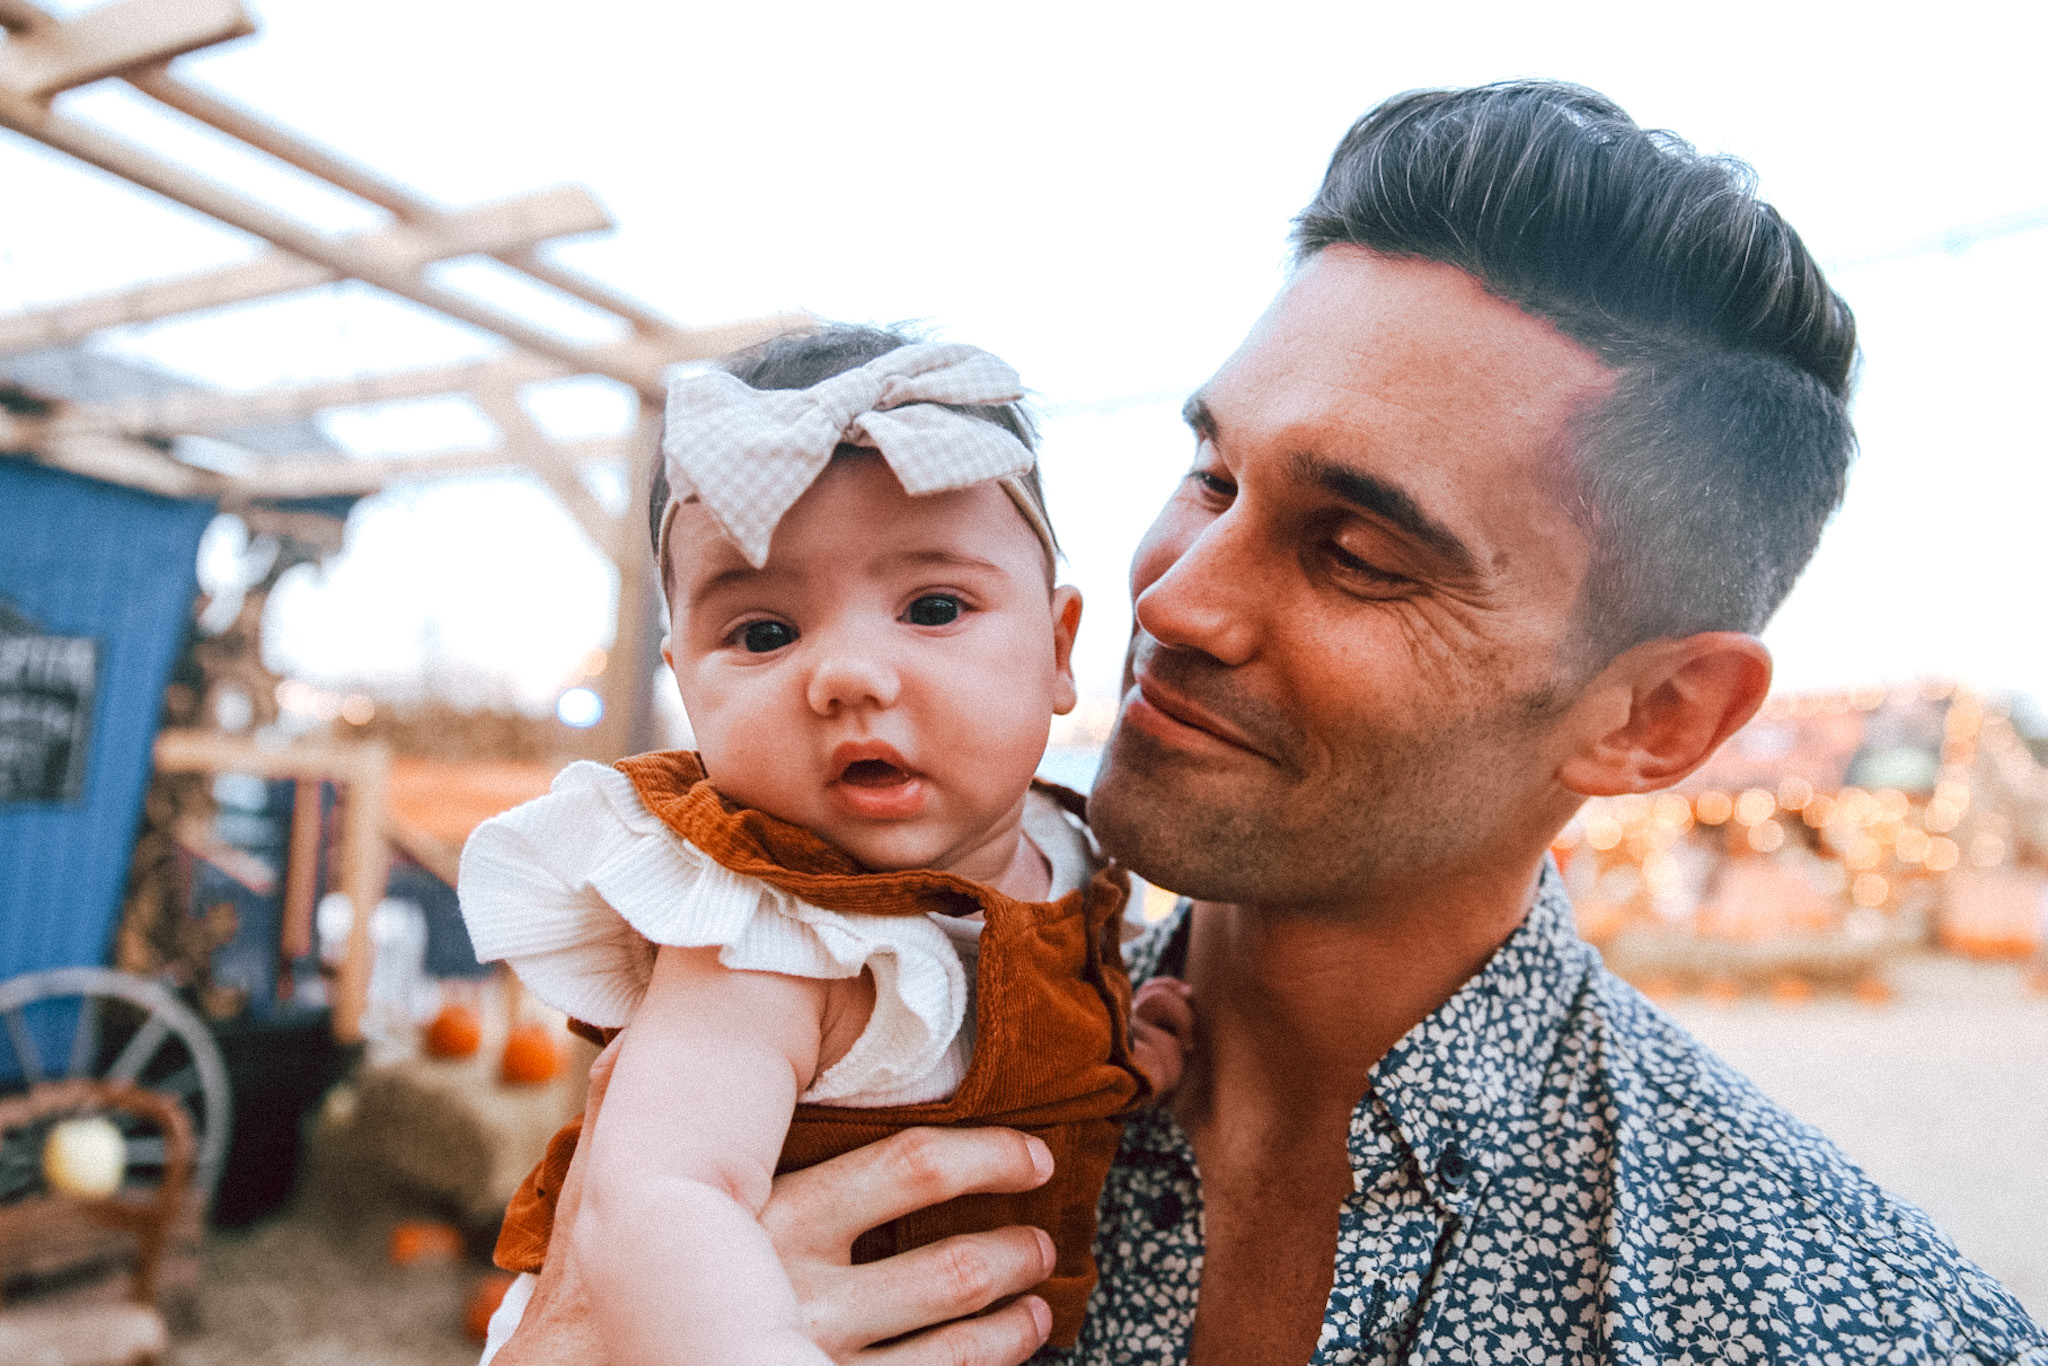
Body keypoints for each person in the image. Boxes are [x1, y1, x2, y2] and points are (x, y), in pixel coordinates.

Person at [498, 82, 2048, 1365]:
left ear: (1656, 717)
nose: (1176, 600)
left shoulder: (1839, 1327)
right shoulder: (887, 997)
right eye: (1212, 477)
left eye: (1356, 552)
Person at [459, 331, 1194, 1365]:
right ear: (687, 683)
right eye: (762, 632)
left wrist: (1115, 1060)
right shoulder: (772, 933)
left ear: (1060, 651)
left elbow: (1014, 1058)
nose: (847, 674)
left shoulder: (1059, 857)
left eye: (932, 609)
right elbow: (660, 1199)